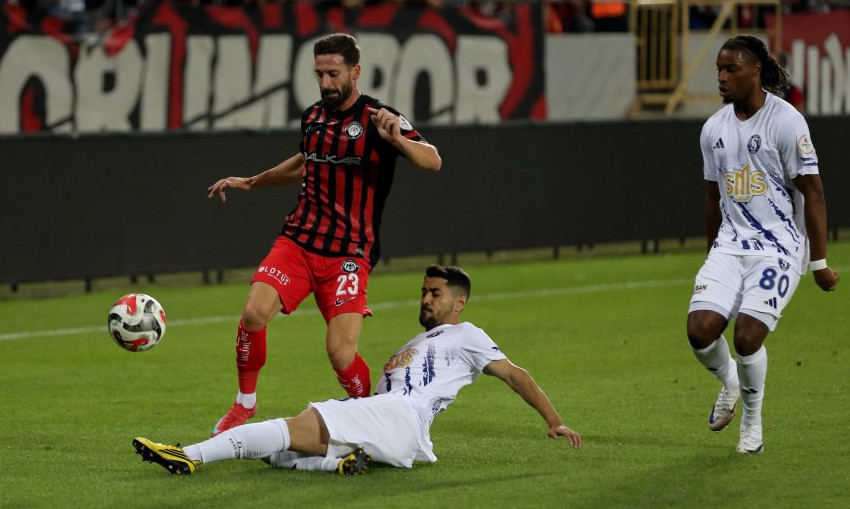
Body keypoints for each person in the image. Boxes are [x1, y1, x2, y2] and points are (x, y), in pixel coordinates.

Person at [205, 33, 442, 438]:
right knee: (254, 312)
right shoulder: (313, 115)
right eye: (319, 74)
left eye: (333, 74)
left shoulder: (380, 118)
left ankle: (370, 417)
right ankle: (244, 403)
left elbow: (433, 160)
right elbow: (305, 160)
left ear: (355, 71)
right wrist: (252, 181)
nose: (325, 82)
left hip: (349, 252)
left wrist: (398, 141)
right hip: (298, 240)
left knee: (340, 353)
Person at [132, 266, 582, 476]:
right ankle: (344, 462)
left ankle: (189, 455)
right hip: (396, 422)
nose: (426, 299)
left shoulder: (467, 334)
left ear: (459, 303)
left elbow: (515, 374)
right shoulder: (417, 343)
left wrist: (554, 420)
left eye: (436, 293)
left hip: (400, 414)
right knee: (279, 454)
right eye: (424, 291)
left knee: (288, 429)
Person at [686, 35, 839, 455]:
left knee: (747, 337)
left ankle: (752, 423)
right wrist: (711, 255)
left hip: (778, 247)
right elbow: (713, 197)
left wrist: (819, 262)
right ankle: (731, 382)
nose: (721, 77)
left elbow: (814, 193)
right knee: (699, 331)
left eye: (730, 69)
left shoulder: (786, 121)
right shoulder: (713, 129)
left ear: (755, 71)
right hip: (730, 246)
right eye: (718, 69)